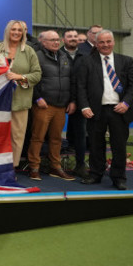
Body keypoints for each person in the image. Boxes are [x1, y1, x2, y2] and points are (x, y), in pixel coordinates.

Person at [78, 30, 133, 190]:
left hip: (120, 110)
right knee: (95, 145)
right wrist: (84, 106)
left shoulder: (126, 61)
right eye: (101, 42)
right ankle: (95, 174)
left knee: (119, 146)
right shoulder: (87, 61)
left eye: (108, 41)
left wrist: (125, 103)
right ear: (96, 44)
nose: (105, 45)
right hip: (95, 110)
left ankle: (118, 177)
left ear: (113, 42)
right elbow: (81, 86)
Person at [0, 20, 42, 169]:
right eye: (13, 30)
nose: (17, 32)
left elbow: (37, 74)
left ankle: (12, 167)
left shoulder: (29, 51)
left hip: (20, 100)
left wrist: (20, 77)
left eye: (19, 30)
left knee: (17, 136)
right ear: (7, 31)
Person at [27, 30, 76, 181]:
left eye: (57, 39)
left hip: (61, 106)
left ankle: (56, 167)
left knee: (57, 139)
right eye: (52, 40)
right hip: (43, 105)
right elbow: (31, 79)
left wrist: (72, 100)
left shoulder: (64, 56)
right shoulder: (36, 55)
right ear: (43, 42)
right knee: (38, 137)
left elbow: (71, 79)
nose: (56, 42)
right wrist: (37, 98)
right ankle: (34, 167)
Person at [62, 29, 90, 177]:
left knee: (81, 134)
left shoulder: (86, 56)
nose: (73, 39)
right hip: (58, 99)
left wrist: (75, 100)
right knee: (52, 135)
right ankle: (50, 164)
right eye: (69, 36)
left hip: (79, 100)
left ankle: (80, 165)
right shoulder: (57, 54)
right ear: (63, 40)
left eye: (75, 36)